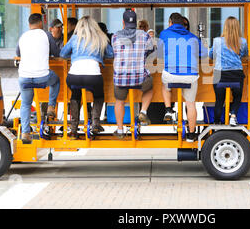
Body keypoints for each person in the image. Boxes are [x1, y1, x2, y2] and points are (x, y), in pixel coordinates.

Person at [60, 16, 113, 139]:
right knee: (99, 96)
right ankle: (95, 124)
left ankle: (73, 130)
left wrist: (74, 55)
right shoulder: (100, 37)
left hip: (74, 76)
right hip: (93, 76)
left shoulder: (74, 38)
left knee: (75, 95)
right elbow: (111, 54)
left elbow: (62, 54)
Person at [157, 12, 208, 142]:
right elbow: (204, 53)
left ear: (170, 23)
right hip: (190, 76)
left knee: (164, 84)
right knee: (191, 104)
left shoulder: (164, 34)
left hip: (171, 75)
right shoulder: (193, 37)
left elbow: (160, 53)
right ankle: (191, 135)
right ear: (183, 24)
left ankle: (168, 109)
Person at [16, 13, 60, 144]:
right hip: (42, 77)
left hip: (24, 77)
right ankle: (51, 107)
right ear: (41, 23)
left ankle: (25, 133)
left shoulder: (23, 36)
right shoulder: (46, 35)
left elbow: (18, 53)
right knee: (56, 80)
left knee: (26, 104)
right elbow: (57, 53)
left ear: (29, 24)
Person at [111, 10, 155, 139]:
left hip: (121, 77)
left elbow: (114, 51)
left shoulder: (115, 36)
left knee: (119, 101)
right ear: (135, 22)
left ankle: (120, 130)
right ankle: (143, 111)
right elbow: (151, 49)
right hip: (139, 77)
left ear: (123, 23)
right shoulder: (145, 35)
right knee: (150, 86)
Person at [209, 16, 248, 125]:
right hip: (236, 74)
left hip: (220, 74)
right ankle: (233, 115)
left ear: (225, 27)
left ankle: (216, 123)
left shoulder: (217, 41)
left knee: (219, 100)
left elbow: (211, 55)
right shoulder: (243, 41)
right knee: (237, 96)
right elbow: (244, 54)